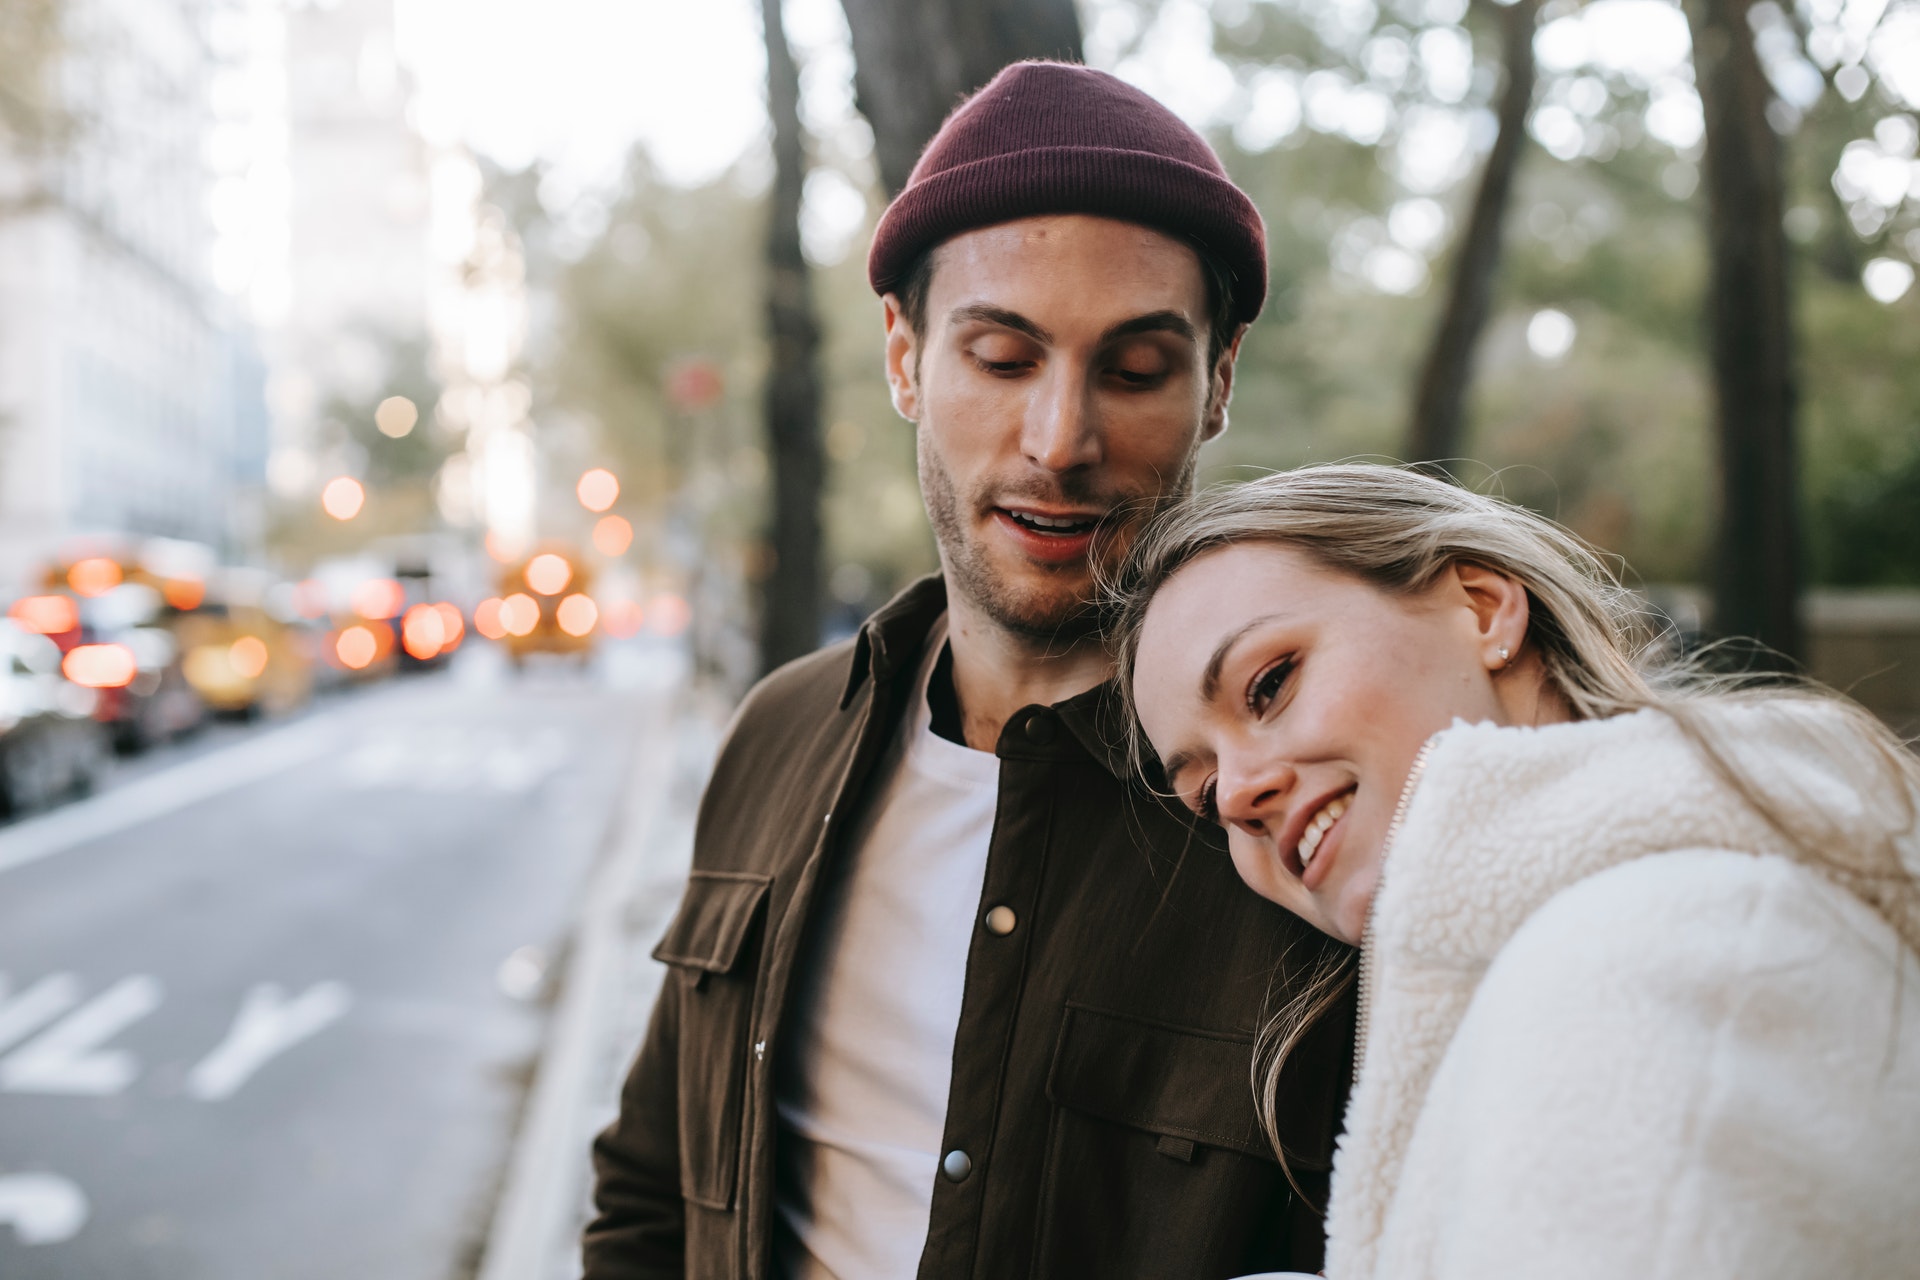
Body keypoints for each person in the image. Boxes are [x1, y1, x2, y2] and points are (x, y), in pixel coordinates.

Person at [583, 63, 1355, 1280]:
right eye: (1001, 356)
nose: (1060, 440)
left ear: (1219, 383)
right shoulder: (779, 734)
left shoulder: (1302, 809)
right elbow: (650, 1191)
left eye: (1137, 368)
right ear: (904, 358)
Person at [1112, 462, 1920, 1280]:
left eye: (1271, 683)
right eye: (1205, 793)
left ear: (1484, 608)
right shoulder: (1578, 956)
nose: (1241, 793)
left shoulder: (1651, 954)